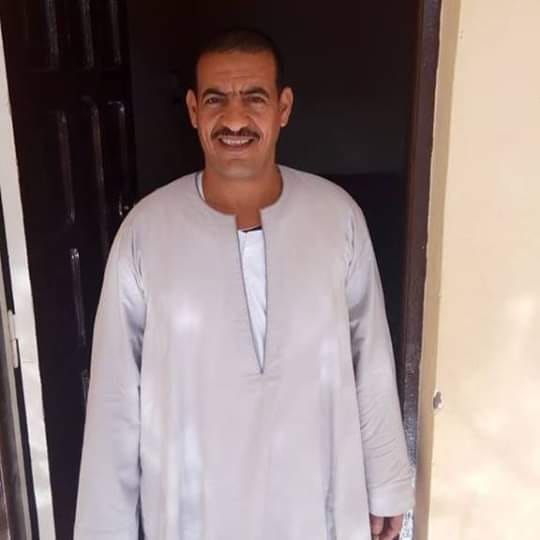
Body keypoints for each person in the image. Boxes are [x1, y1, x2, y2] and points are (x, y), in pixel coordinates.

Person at [74, 28, 414, 540]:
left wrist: (385, 482)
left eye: (254, 98)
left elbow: (371, 357)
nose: (234, 120)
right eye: (216, 99)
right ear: (194, 110)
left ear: (283, 107)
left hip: (316, 503)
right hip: (194, 515)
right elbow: (115, 398)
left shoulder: (336, 217)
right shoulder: (147, 231)